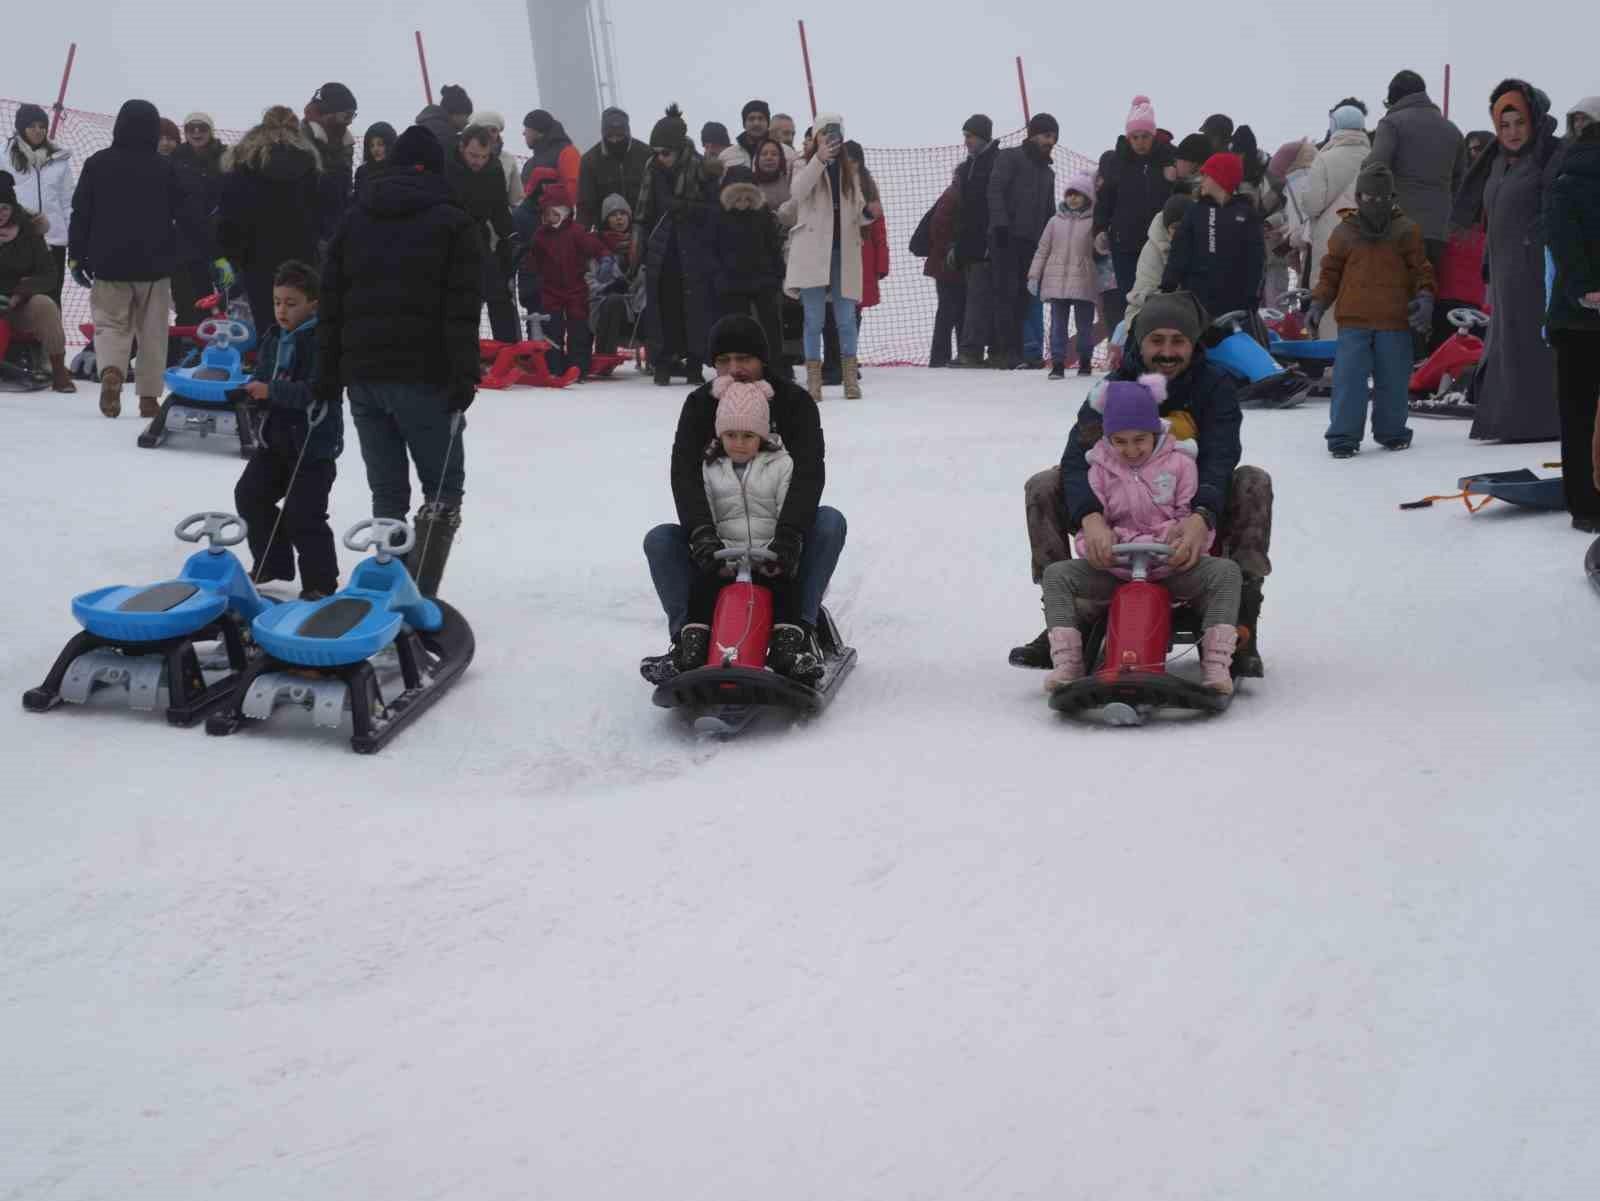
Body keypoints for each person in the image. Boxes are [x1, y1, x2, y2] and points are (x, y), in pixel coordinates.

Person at [1016, 292, 1274, 679]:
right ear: (1140, 341)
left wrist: (1201, 515)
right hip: (1119, 515)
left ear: (1193, 343)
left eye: (1178, 341)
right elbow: (1075, 458)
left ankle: (1240, 622)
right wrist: (1089, 516)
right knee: (1043, 485)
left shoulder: (1214, 386)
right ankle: (1071, 618)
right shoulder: (1112, 390)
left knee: (1253, 481)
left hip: (1185, 511)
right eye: (1157, 340)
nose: (1167, 352)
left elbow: (1221, 458)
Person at [316, 125, 482, 596]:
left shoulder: (355, 217)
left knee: (388, 492)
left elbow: (332, 301)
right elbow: (462, 309)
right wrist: (463, 375)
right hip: (425, 377)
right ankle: (415, 595)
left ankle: (390, 580)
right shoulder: (453, 222)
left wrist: (326, 373)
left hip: (364, 375)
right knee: (442, 490)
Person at [640, 314, 846, 684]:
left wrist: (789, 536)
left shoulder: (793, 402)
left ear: (763, 360)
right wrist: (702, 534)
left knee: (830, 521)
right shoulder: (700, 405)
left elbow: (807, 474)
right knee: (660, 539)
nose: (734, 369)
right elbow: (685, 475)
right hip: (721, 546)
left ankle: (798, 632)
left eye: (744, 359)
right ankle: (686, 642)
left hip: (777, 544)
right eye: (723, 361)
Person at [1039, 373, 1242, 695]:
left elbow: (1189, 516)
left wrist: (1181, 540)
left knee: (1226, 573)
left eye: (1139, 440)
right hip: (1116, 568)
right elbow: (1092, 523)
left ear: (1154, 432)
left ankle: (1216, 663)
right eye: (1120, 441)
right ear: (1107, 438)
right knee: (1057, 576)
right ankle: (1068, 662)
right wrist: (1095, 543)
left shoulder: (1180, 464)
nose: (1131, 450)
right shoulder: (1099, 469)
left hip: (1170, 566)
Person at [674, 375, 822, 683]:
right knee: (702, 592)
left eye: (747, 436)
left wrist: (781, 551)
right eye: (730, 435)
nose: (738, 443)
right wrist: (712, 552)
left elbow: (787, 511)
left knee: (785, 591)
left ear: (762, 436)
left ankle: (787, 651)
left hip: (768, 558)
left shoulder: (781, 465)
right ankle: (692, 649)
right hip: (724, 560)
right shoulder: (709, 468)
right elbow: (708, 514)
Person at [69, 99, 205, 419]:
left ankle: (113, 372)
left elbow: (81, 213)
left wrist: (76, 257)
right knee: (153, 332)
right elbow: (186, 216)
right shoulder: (165, 167)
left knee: (111, 327)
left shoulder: (97, 163)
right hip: (155, 266)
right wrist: (193, 251)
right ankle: (148, 397)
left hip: (107, 263)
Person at [1451, 79, 1562, 443]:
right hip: (1502, 268)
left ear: (1533, 121)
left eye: (1519, 123)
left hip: (1535, 267)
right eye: (1504, 125)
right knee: (1505, 342)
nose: (1512, 132)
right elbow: (1492, 213)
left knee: (1532, 343)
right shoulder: (1498, 162)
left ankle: (1540, 422)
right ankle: (1507, 419)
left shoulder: (1548, 155)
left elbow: (1557, 207)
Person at [1306, 162, 1436, 457]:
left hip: (1395, 322)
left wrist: (1426, 297)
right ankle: (1343, 437)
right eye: (1369, 198)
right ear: (1358, 196)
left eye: (1382, 198)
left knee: (1393, 381)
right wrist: (1318, 303)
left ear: (1392, 197)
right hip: (1354, 322)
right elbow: (1330, 273)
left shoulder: (1406, 230)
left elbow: (1421, 270)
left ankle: (1392, 432)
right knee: (1349, 382)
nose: (1375, 204)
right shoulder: (1345, 231)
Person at [232, 259, 342, 599]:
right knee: (250, 495)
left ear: (313, 304)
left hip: (312, 445)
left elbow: (318, 389)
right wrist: (253, 391)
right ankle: (272, 561)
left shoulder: (323, 340)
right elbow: (266, 376)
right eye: (278, 302)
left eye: (291, 304)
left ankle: (321, 583)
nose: (282, 310)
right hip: (275, 440)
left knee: (303, 514)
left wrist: (271, 391)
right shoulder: (274, 336)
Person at [1365, 69, 1465, 348]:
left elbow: (1375, 168)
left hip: (1399, 228)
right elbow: (1461, 180)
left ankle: (1397, 372)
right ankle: (1421, 368)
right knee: (1425, 298)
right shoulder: (1452, 130)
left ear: (1393, 97)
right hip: (1437, 232)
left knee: (1395, 302)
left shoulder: (1392, 124)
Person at [783, 111, 875, 400]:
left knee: (846, 319)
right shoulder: (802, 164)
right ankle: (813, 383)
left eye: (837, 133)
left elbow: (857, 210)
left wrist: (869, 215)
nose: (832, 138)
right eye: (827, 132)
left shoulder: (849, 168)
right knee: (814, 319)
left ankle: (850, 380)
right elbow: (798, 193)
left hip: (843, 251)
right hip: (812, 251)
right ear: (817, 135)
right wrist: (818, 160)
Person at [218, 106, 324, 341]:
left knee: (267, 324)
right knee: (299, 323)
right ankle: (297, 372)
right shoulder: (310, 162)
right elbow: (320, 213)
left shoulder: (243, 162)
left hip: (256, 259)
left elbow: (229, 216)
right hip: (301, 258)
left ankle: (269, 371)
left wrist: (232, 256)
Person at [1543, 109, 1600, 530]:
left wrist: (1580, 288)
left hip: (1573, 316)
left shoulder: (1563, 179)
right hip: (1580, 311)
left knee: (1576, 414)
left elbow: (1560, 242)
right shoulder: (1569, 180)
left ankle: (1583, 504)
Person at [635, 104, 717, 386]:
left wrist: (683, 207)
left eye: (665, 153)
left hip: (692, 249)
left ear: (679, 149)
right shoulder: (651, 169)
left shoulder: (700, 167)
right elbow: (643, 212)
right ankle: (662, 362)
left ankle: (694, 362)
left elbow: (713, 210)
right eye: (655, 153)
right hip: (661, 250)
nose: (660, 158)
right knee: (662, 308)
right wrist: (640, 246)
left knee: (693, 309)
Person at [1093, 96, 1177, 334]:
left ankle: (1157, 341)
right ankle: (1129, 344)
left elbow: (1181, 199)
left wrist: (1174, 179)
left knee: (1158, 295)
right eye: (1135, 137)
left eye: (1145, 137)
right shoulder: (1117, 163)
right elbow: (1105, 200)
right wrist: (1100, 229)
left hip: (1158, 242)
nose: (1140, 143)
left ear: (1153, 135)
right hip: (1125, 242)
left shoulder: (1167, 159)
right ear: (1128, 138)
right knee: (1128, 296)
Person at [986, 113, 1058, 369]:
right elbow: (995, 190)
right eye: (1045, 135)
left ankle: (1021, 351)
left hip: (1033, 243)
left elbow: (1050, 212)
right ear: (1033, 134)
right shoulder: (1010, 157)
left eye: (1053, 137)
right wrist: (1001, 225)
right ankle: (1003, 351)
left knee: (1025, 298)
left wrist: (1049, 242)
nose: (1049, 141)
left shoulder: (1048, 174)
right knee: (1005, 294)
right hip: (1007, 238)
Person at [1161, 153, 1264, 321]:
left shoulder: (1246, 214)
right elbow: (1179, 252)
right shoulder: (1195, 212)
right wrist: (1168, 285)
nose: (1202, 180)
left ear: (1219, 178)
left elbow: (1256, 260)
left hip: (1235, 304)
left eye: (1206, 175)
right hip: (1196, 302)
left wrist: (1253, 298)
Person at [525, 181, 611, 379]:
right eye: (545, 213)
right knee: (551, 329)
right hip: (550, 290)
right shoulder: (540, 236)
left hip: (576, 290)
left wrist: (605, 258)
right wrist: (527, 273)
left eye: (552, 213)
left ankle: (578, 367)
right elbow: (532, 261)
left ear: (563, 212)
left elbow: (596, 246)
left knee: (578, 329)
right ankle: (553, 367)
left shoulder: (576, 232)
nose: (547, 217)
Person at [0, 172, 74, 390]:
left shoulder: (29, 232)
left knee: (46, 305)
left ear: (13, 208)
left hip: (19, 305)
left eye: (4, 208)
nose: (0, 214)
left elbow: (49, 274)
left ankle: (58, 370)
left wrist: (19, 293)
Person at [1300, 104, 1369, 337]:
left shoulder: (1324, 159)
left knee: (1329, 295)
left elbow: (1312, 204)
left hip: (1332, 238)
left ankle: (1332, 360)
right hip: (1368, 237)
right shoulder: (1375, 159)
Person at [712, 166, 786, 378]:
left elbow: (772, 244)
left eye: (748, 197)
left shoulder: (761, 214)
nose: (743, 202)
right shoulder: (719, 215)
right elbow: (711, 248)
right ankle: (736, 368)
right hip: (731, 281)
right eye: (737, 197)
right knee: (736, 329)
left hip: (763, 278)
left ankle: (774, 365)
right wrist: (719, 276)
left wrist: (777, 273)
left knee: (771, 325)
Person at [448, 124, 518, 343]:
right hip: (449, 237)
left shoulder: (493, 170)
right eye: (473, 155)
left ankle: (506, 348)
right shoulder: (446, 166)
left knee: (497, 292)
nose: (477, 161)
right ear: (462, 147)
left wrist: (510, 237)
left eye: (483, 156)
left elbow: (499, 209)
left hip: (478, 236)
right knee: (460, 299)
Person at [1029, 173, 1100, 379]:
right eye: (1070, 194)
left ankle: (1085, 360)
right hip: (1056, 281)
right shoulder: (1054, 221)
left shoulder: (1094, 222)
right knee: (1057, 325)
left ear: (1088, 197)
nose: (1073, 198)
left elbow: (1100, 250)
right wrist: (1034, 275)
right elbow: (1043, 250)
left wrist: (1103, 242)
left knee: (1084, 326)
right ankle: (1058, 363)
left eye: (1078, 194)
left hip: (1083, 281)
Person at [6, 103, 75, 308]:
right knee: (16, 298)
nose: (38, 130)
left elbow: (67, 202)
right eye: (32, 126)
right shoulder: (4, 156)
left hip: (53, 243)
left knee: (50, 299)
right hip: (17, 242)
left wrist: (72, 236)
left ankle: (49, 339)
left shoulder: (59, 160)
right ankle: (14, 341)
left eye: (42, 125)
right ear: (21, 127)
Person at [168, 113, 227, 319]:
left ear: (210, 131)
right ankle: (187, 346)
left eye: (202, 128)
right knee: (188, 302)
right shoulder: (176, 158)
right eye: (190, 128)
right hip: (186, 242)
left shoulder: (224, 156)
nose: (196, 132)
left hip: (220, 238)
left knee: (223, 303)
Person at [1125, 194, 1192, 332]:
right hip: (1151, 309)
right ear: (1167, 228)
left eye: (1185, 226)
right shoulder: (1153, 250)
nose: (1181, 232)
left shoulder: (1206, 244)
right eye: (1175, 227)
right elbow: (1144, 293)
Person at [590, 194, 646, 356]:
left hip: (636, 307)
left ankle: (657, 359)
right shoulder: (596, 246)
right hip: (607, 309)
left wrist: (634, 285)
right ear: (606, 220)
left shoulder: (640, 245)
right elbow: (590, 281)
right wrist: (610, 288)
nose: (619, 218)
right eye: (613, 215)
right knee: (613, 301)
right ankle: (604, 358)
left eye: (622, 214)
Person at [577, 107, 651, 230]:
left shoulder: (645, 154)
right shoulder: (590, 161)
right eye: (610, 136)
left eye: (620, 136)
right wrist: (580, 236)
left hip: (644, 228)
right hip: (607, 235)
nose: (615, 140)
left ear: (628, 133)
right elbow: (585, 205)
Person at [921, 176, 965, 368]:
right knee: (949, 310)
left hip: (946, 262)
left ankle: (946, 356)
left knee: (952, 309)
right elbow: (938, 227)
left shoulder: (952, 194)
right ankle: (941, 357)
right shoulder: (954, 195)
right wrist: (950, 249)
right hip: (947, 263)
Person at [304, 82, 357, 236]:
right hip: (310, 227)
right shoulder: (301, 140)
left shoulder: (346, 142)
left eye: (353, 115)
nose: (351, 120)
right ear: (329, 113)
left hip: (337, 225)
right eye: (347, 115)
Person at [468, 111, 528, 210]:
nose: (489, 134)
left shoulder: (508, 159)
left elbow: (516, 199)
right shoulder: (463, 156)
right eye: (484, 129)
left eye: (493, 130)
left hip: (500, 219)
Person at [522, 110, 581, 207]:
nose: (523, 133)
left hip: (564, 218)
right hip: (535, 218)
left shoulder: (567, 153)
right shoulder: (529, 164)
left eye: (527, 129)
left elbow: (575, 191)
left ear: (539, 132)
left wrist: (546, 190)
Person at [720, 99, 796, 172]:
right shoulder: (727, 155)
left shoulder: (787, 153)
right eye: (751, 119)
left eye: (761, 118)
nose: (756, 123)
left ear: (768, 123)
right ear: (744, 124)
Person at [416, 84, 472, 151]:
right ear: (455, 113)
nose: (467, 121)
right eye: (466, 116)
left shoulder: (432, 126)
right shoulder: (443, 135)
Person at [353, 121, 396, 194]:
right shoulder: (362, 172)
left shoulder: (398, 170)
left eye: (380, 144)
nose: (375, 149)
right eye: (371, 145)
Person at [752, 137, 792, 211]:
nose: (769, 157)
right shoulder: (749, 182)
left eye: (774, 154)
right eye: (764, 154)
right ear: (757, 159)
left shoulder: (789, 180)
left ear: (781, 159)